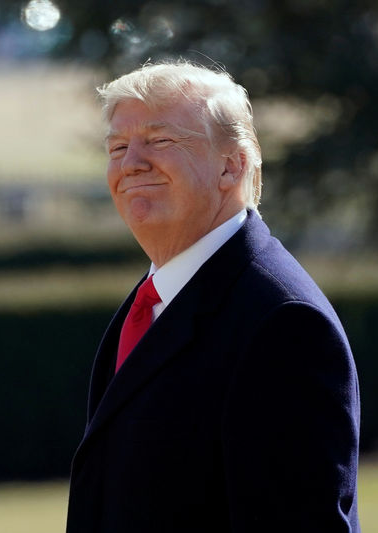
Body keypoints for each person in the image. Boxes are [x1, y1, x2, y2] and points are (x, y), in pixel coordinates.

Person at [66, 61, 361, 532]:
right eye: (118, 147)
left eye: (159, 141)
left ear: (232, 165)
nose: (131, 163)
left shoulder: (282, 323)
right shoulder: (156, 301)